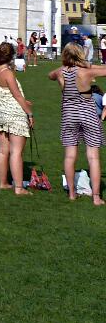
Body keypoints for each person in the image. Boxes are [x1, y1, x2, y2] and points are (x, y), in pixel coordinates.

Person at [48, 43, 106, 204]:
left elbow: (50, 75)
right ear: (80, 55)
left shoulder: (60, 72)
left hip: (69, 113)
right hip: (88, 112)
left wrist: (65, 66)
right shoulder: (86, 72)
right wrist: (86, 64)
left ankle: (72, 193)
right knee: (93, 156)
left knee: (70, 155)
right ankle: (96, 197)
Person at [0, 42, 34, 195]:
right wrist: (29, 113)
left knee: (3, 151)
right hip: (14, 115)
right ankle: (19, 188)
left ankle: (3, 183)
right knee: (16, 152)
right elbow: (17, 95)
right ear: (11, 55)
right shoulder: (7, 72)